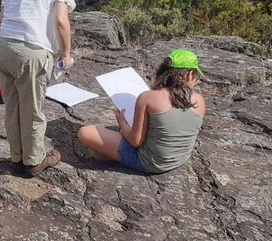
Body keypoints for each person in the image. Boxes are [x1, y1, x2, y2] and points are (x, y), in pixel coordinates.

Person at [0, 0, 84, 177]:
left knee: (12, 106)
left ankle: (17, 158)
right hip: (32, 50)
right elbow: (61, 20)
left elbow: (1, 20)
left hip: (3, 47)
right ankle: (34, 161)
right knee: (32, 109)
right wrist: (66, 54)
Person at [77, 49, 206, 174]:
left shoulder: (148, 97)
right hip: (180, 159)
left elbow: (135, 141)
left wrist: (121, 122)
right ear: (190, 75)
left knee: (85, 132)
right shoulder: (199, 101)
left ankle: (109, 154)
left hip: (150, 163)